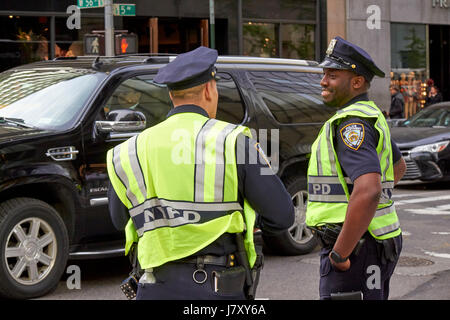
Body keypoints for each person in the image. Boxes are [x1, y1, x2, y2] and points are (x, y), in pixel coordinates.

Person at [106, 46, 295, 300]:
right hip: (216, 288)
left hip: (152, 287)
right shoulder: (234, 140)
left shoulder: (128, 150)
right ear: (209, 89)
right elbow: (282, 216)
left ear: (172, 96)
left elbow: (120, 221)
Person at [305, 36, 407, 300]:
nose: (323, 81)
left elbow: (369, 191)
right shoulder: (369, 115)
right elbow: (398, 168)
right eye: (324, 74)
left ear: (357, 82)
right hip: (372, 244)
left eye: (332, 75)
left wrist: (340, 253)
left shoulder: (353, 123)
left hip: (357, 250)